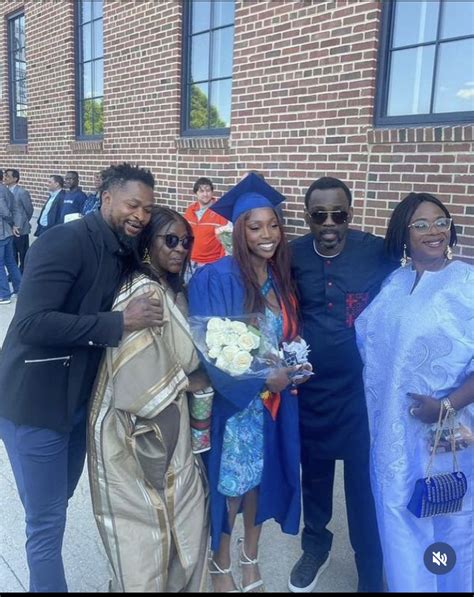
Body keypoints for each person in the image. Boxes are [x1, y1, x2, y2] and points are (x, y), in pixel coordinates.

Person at [0, 163, 163, 592]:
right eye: (133, 205)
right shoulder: (64, 242)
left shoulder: (123, 246)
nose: (140, 215)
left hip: (77, 406)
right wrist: (119, 322)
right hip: (34, 405)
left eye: (147, 209)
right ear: (106, 197)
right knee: (45, 521)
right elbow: (31, 323)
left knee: (59, 501)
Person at [188, 173, 310, 593]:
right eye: (255, 227)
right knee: (232, 485)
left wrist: (294, 364)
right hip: (237, 403)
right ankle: (220, 562)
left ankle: (250, 556)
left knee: (261, 478)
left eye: (273, 225)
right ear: (239, 231)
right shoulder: (215, 276)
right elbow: (209, 349)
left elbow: (284, 335)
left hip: (275, 402)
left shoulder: (279, 278)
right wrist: (262, 378)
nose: (267, 235)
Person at [355, 192, 474, 592]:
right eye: (420, 225)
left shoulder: (467, 283)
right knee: (399, 519)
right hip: (391, 438)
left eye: (441, 222)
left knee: (446, 519)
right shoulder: (395, 282)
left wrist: (446, 405)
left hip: (443, 437)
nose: (433, 231)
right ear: (403, 235)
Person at [88, 205, 210, 592]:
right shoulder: (144, 291)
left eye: (186, 242)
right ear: (146, 243)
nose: (180, 249)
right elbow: (136, 375)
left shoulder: (172, 287)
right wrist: (194, 380)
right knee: (142, 531)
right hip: (136, 431)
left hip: (171, 424)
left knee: (182, 519)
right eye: (170, 240)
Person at [289, 177, 394, 593]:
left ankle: (370, 567)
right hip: (311, 390)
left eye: (339, 214)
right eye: (320, 215)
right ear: (307, 217)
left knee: (362, 485)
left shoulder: (376, 251)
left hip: (360, 392)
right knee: (314, 476)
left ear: (350, 214)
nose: (330, 223)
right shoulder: (292, 254)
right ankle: (315, 547)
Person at [183, 176, 227, 279]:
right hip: (190, 263)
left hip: (210, 264)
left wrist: (219, 265)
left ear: (212, 192)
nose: (205, 194)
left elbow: (225, 242)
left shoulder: (219, 211)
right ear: (196, 193)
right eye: (201, 191)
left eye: (208, 190)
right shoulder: (190, 210)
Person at [4, 168, 33, 273]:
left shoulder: (22, 192)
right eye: (4, 175)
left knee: (23, 252)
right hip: (9, 228)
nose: (5, 178)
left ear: (15, 178)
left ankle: (23, 273)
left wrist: (23, 222)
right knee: (12, 253)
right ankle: (14, 273)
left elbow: (29, 209)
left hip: (21, 228)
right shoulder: (5, 191)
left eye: (7, 176)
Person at [0, 169, 21, 304]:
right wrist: (14, 225)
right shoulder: (6, 190)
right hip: (7, 233)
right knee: (11, 262)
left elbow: (4, 211)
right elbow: (15, 209)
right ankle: (20, 290)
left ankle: (4, 294)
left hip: (2, 233)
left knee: (1, 264)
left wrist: (12, 223)